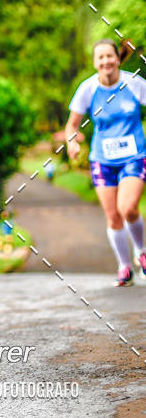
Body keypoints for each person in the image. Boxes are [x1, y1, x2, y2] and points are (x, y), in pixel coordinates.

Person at [65, 39, 146, 286]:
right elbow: (72, 125)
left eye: (109, 56)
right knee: (113, 217)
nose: (105, 62)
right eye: (100, 58)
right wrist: (72, 142)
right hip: (102, 159)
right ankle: (124, 268)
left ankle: (141, 252)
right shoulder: (88, 89)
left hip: (134, 156)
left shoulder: (134, 84)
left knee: (128, 208)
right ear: (94, 63)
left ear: (117, 58)